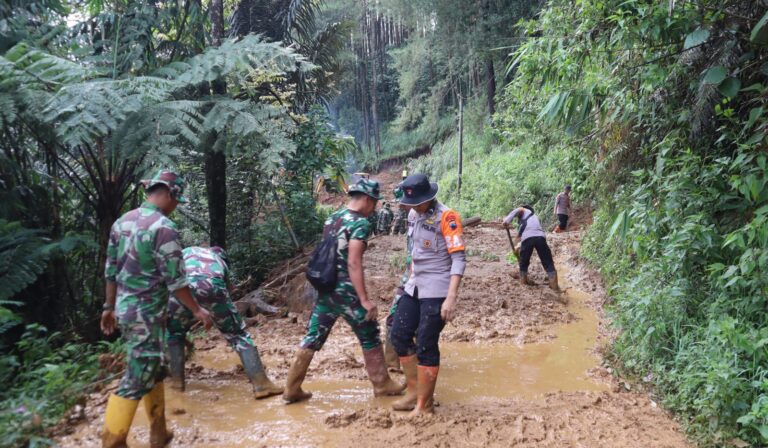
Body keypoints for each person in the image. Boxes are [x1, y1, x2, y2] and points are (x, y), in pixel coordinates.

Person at [100, 170, 213, 448]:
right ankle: (112, 442)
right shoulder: (164, 227)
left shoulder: (121, 223)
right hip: (146, 315)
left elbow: (110, 271)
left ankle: (158, 433)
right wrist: (197, 310)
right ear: (168, 195)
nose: (176, 206)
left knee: (155, 368)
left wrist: (108, 307)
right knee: (138, 375)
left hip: (127, 311)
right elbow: (176, 281)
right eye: (176, 200)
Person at [282, 179, 405, 403]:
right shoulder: (360, 224)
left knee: (313, 336)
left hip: (326, 289)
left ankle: (292, 387)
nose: (374, 208)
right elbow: (354, 262)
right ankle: (382, 384)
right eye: (374, 203)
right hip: (347, 291)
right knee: (369, 332)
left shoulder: (333, 218)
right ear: (367, 199)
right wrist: (365, 300)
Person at [390, 174, 466, 416]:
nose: (411, 207)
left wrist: (451, 298)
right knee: (399, 334)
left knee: (425, 343)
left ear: (429, 198)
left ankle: (425, 405)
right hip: (415, 285)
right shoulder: (413, 215)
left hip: (438, 288)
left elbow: (458, 258)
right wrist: (404, 283)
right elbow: (414, 253)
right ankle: (413, 393)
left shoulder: (448, 217)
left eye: (416, 203)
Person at [166, 246, 282, 399]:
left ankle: (177, 384)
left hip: (180, 290)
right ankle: (261, 385)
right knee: (237, 335)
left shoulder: (187, 252)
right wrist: (220, 316)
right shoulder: (220, 261)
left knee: (175, 334)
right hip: (212, 287)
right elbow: (228, 290)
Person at [503, 205, 560, 291]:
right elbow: (518, 238)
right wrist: (516, 248)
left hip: (528, 238)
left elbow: (519, 210)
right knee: (547, 261)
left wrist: (507, 220)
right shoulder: (532, 220)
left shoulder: (525, 210)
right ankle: (554, 286)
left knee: (524, 261)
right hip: (541, 238)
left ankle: (523, 281)